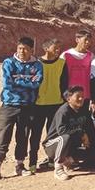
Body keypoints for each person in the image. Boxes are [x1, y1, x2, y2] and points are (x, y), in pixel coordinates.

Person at [0, 36, 43, 182]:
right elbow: (7, 84)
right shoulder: (8, 62)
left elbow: (36, 83)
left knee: (23, 137)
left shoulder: (37, 65)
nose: (22, 51)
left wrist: (17, 80)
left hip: (27, 106)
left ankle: (20, 166)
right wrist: (27, 81)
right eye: (20, 48)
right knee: (3, 137)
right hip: (9, 105)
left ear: (31, 50)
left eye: (25, 49)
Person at [28, 38, 67, 173]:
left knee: (53, 136)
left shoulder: (62, 63)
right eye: (55, 48)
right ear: (46, 49)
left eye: (59, 48)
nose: (58, 50)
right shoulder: (36, 63)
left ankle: (51, 160)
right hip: (38, 105)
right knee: (35, 134)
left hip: (56, 104)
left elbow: (64, 83)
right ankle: (32, 163)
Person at [42, 85, 95, 181]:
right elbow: (62, 131)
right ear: (69, 99)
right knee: (65, 137)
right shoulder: (63, 111)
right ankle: (58, 168)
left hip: (70, 146)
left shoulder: (84, 111)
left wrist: (92, 143)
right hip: (53, 145)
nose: (81, 99)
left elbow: (90, 130)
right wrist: (81, 133)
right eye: (78, 96)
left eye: (82, 96)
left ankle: (69, 160)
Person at [61, 30, 93, 107]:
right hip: (70, 96)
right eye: (85, 40)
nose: (88, 42)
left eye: (89, 40)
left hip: (85, 96)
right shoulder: (65, 55)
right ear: (77, 40)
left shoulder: (91, 56)